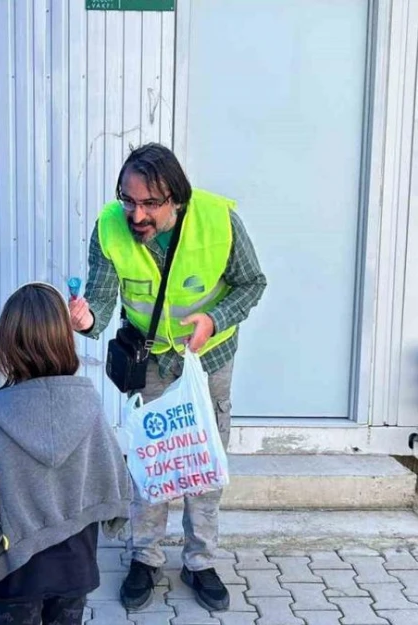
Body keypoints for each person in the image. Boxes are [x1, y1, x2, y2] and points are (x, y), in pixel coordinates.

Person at [68, 143, 266, 612]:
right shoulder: (110, 228)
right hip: (150, 360)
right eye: (128, 200)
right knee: (149, 462)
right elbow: (100, 298)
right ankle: (145, 557)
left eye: (149, 203)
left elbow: (252, 283)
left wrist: (214, 319)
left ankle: (200, 562)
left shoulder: (219, 221)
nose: (136, 213)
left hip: (208, 360)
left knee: (203, 463)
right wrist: (85, 319)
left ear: (176, 198)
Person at [0, 282, 135, 625]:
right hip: (76, 567)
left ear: (8, 344)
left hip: (15, 570)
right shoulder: (89, 404)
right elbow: (112, 475)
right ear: (64, 339)